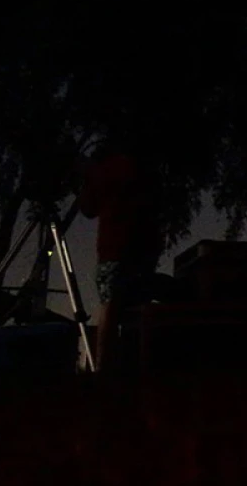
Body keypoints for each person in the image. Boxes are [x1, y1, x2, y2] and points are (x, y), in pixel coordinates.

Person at [77, 144, 163, 373]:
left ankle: (103, 368)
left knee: (110, 306)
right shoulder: (141, 167)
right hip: (142, 247)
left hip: (113, 249)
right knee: (135, 306)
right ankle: (136, 364)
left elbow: (88, 208)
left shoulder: (102, 171)